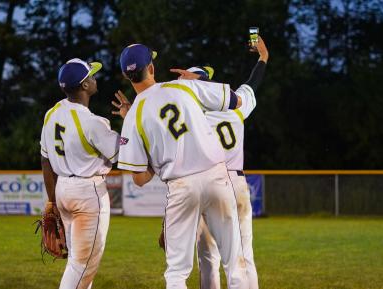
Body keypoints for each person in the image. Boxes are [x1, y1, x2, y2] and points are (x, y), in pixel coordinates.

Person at [114, 43, 251, 289]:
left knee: (177, 272)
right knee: (234, 262)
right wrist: (200, 83)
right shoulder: (182, 86)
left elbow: (139, 179)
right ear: (152, 67)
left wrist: (162, 156)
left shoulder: (134, 116)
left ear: (126, 75)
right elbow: (237, 100)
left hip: (180, 187)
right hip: (217, 178)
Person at [171, 36, 268, 289]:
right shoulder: (235, 107)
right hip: (234, 184)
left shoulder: (186, 118)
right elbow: (252, 84)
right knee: (244, 256)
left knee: (208, 259)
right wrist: (263, 58)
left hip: (203, 184)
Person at [40, 58, 120, 289]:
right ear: (85, 86)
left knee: (78, 261)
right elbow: (126, 153)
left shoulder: (52, 113)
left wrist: (51, 201)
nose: (95, 79)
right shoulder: (92, 122)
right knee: (82, 265)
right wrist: (131, 119)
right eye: (91, 76)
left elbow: (45, 160)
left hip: (63, 189)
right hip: (88, 193)